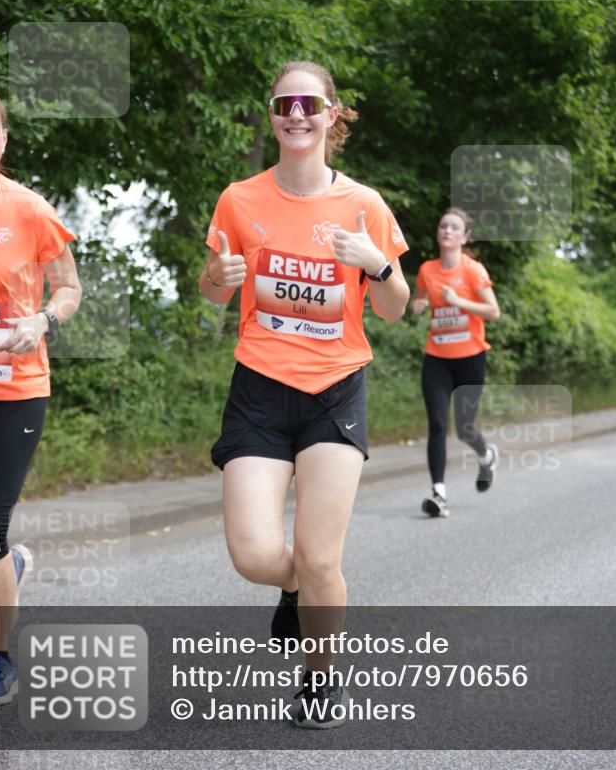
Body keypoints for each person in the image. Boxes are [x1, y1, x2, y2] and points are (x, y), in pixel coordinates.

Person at [199, 61, 409, 728]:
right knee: (255, 556)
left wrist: (376, 265)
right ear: (272, 114)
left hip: (334, 390)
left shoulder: (364, 205)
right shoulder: (239, 199)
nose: (296, 114)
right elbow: (213, 291)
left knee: (320, 557)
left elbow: (395, 308)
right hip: (259, 389)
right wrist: (217, 274)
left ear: (331, 114)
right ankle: (290, 585)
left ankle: (320, 678)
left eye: (309, 104)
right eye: (284, 104)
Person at [0, 86, 82, 704]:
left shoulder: (29, 210)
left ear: (4, 139)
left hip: (13, 389)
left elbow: (69, 287)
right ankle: (9, 571)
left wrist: (42, 320)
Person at [410, 207, 500, 518]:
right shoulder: (427, 269)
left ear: (465, 237)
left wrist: (458, 301)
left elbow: (493, 311)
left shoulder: (473, 270)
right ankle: (439, 493)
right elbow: (419, 298)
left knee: (464, 428)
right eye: (443, 226)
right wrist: (418, 304)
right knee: (437, 424)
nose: (447, 230)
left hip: (470, 359)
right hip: (437, 359)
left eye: (454, 227)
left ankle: (486, 455)